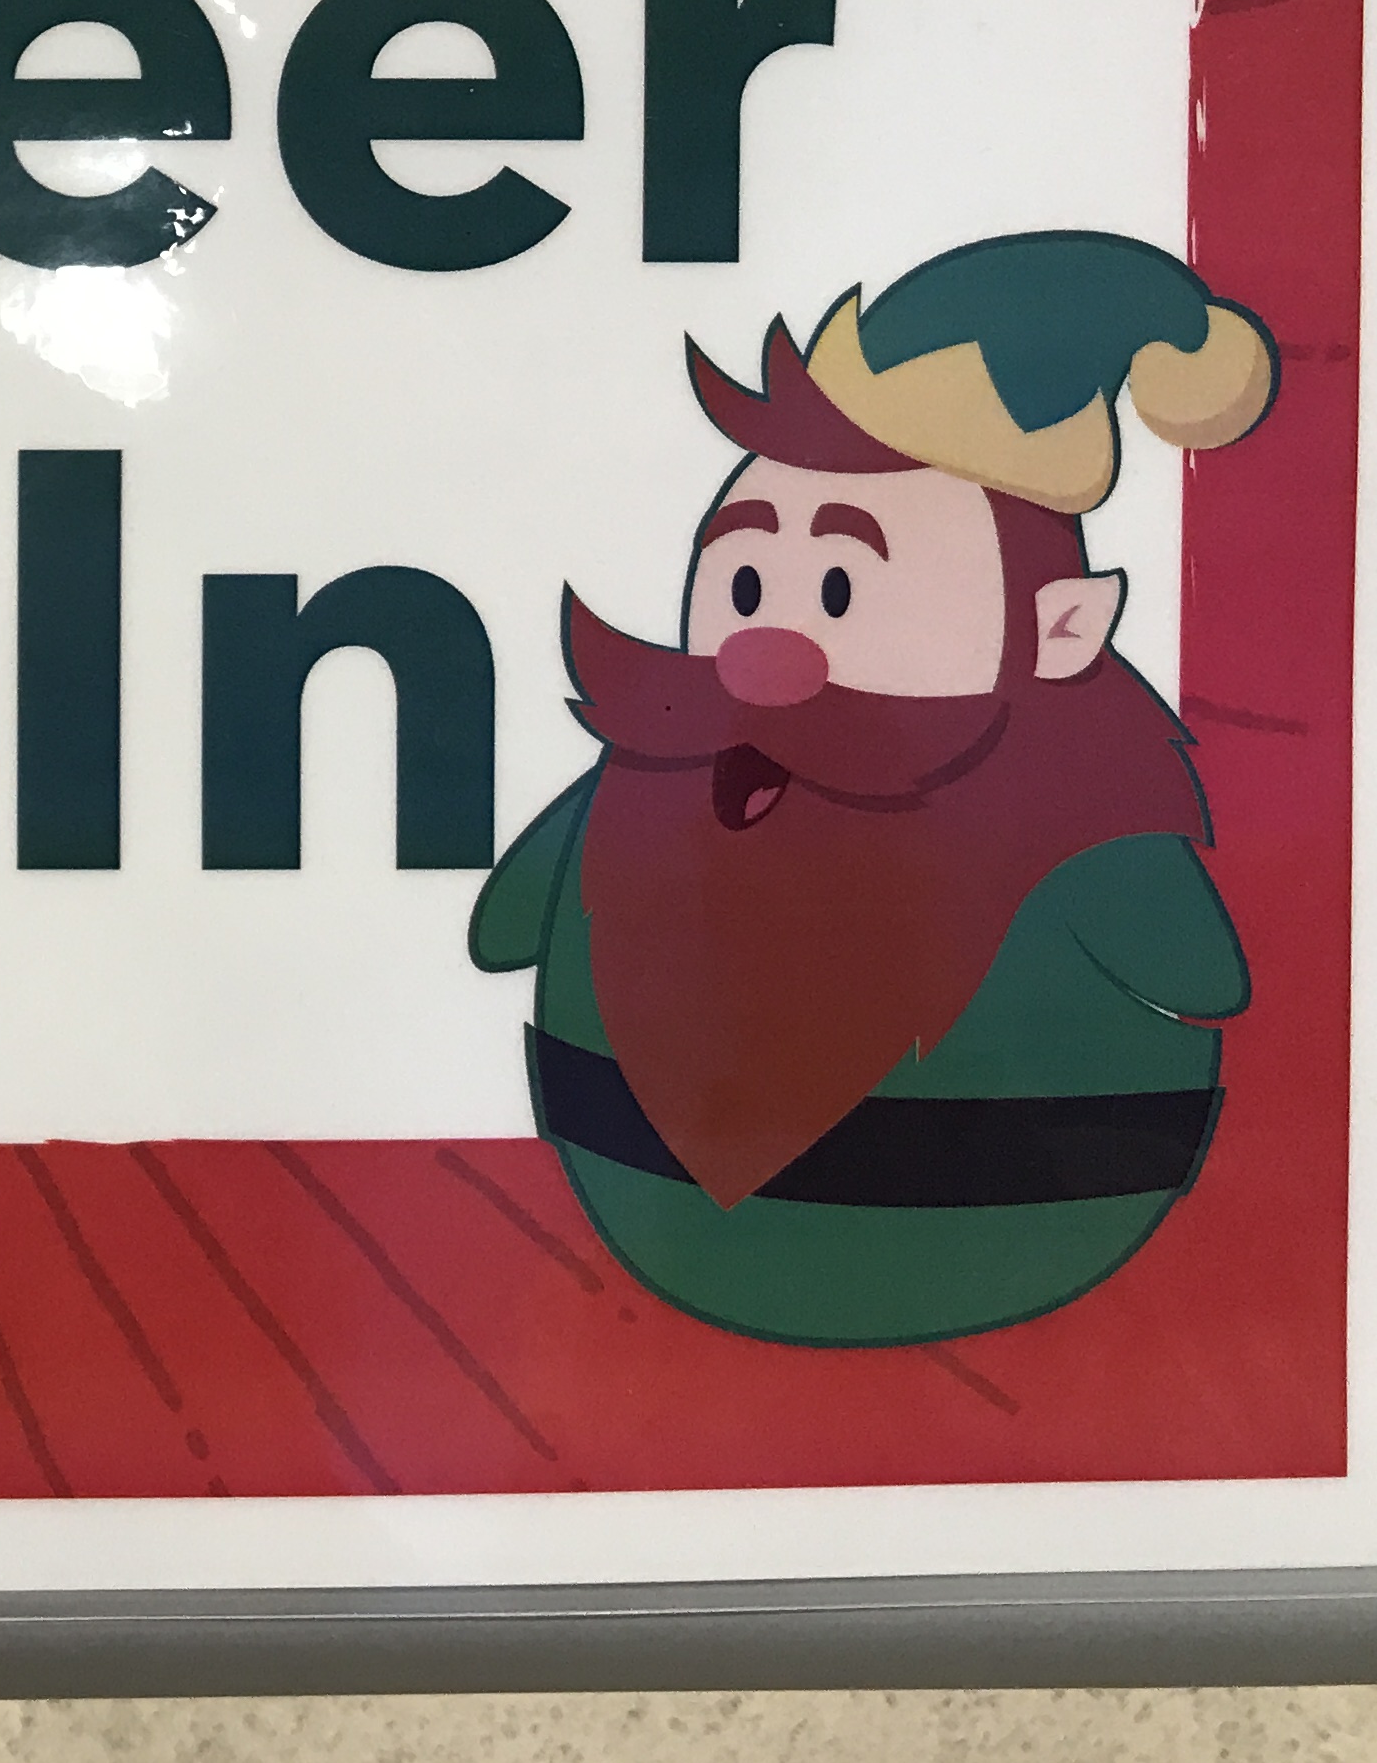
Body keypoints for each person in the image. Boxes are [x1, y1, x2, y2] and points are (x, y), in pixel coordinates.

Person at [470, 230, 1278, 1345]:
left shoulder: (1088, 815)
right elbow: (515, 920)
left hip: (1019, 1232)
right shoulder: (656, 781)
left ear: (1064, 629)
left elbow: (1189, 972)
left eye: (844, 589)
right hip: (655, 1206)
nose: (766, 649)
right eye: (745, 582)